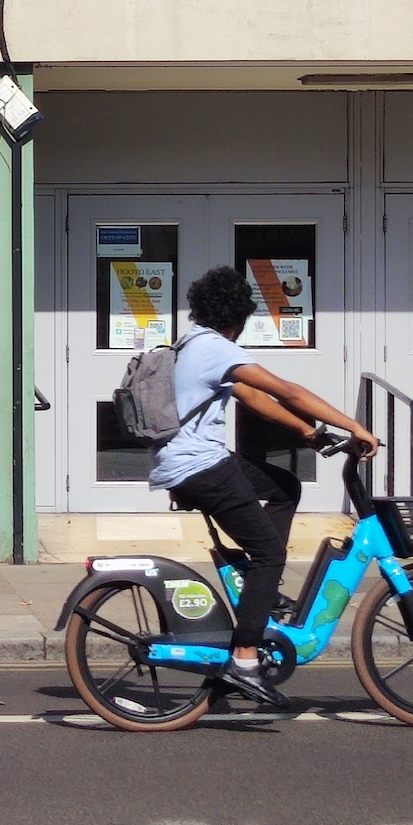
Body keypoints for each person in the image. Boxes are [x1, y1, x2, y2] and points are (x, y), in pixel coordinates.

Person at [153, 265, 380, 710]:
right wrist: (354, 426)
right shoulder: (215, 348)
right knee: (270, 553)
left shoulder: (193, 344)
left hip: (189, 461)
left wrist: (308, 432)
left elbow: (253, 397)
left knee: (283, 487)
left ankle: (259, 589)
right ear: (237, 318)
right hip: (200, 466)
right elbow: (285, 390)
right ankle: (244, 659)